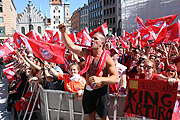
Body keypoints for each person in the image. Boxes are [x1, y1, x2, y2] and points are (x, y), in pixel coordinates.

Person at [58, 23, 119, 120]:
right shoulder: (86, 53)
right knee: (90, 115)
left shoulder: (107, 59)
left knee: (103, 117)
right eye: (92, 38)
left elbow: (116, 78)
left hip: (101, 91)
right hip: (88, 89)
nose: (92, 40)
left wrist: (100, 79)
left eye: (95, 39)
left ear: (101, 44)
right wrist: (63, 32)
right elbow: (71, 46)